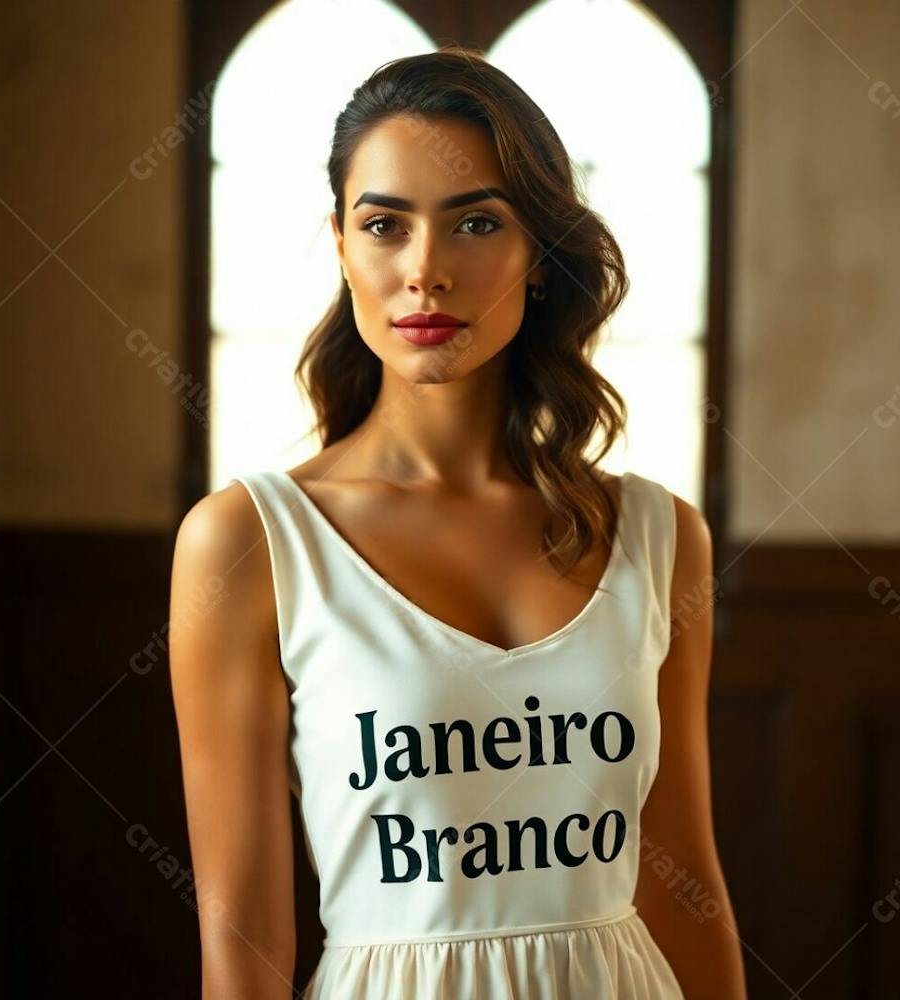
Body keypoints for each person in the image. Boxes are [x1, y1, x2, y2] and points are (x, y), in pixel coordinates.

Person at [170, 45, 747, 1000]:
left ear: (538, 253)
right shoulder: (249, 542)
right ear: (343, 245)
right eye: (385, 225)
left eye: (476, 221)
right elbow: (243, 938)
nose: (426, 270)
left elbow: (684, 880)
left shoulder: (659, 533)